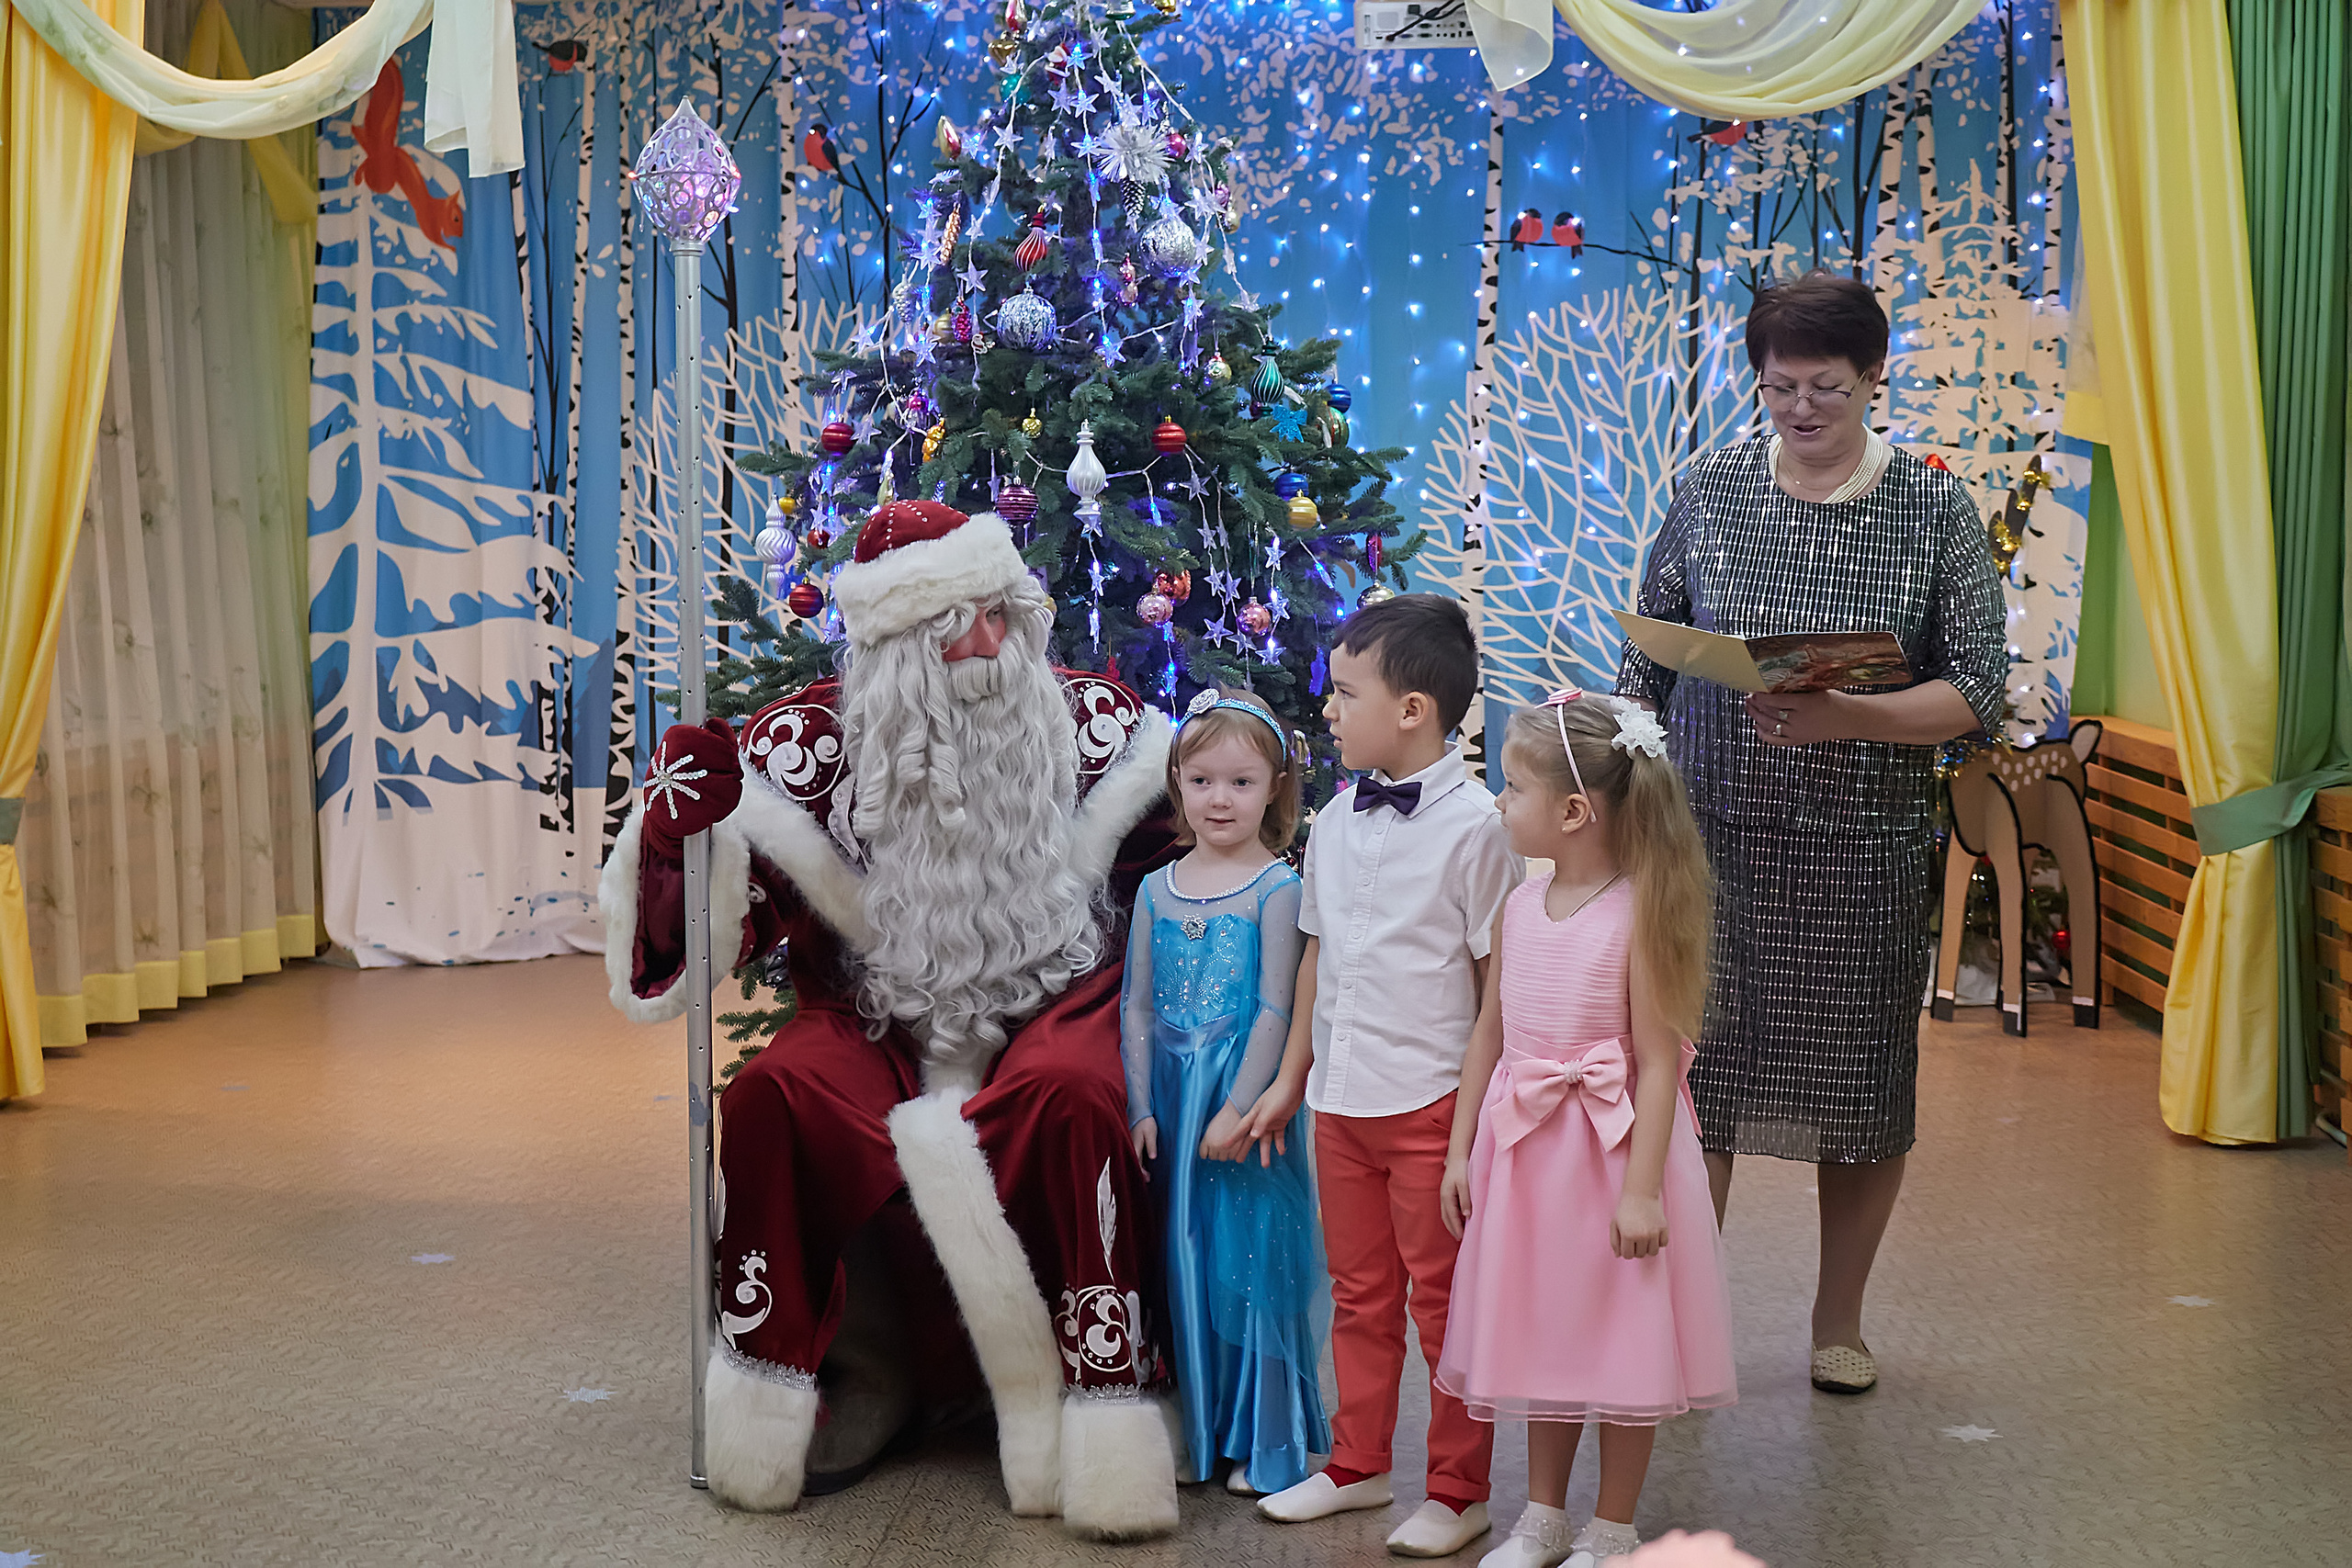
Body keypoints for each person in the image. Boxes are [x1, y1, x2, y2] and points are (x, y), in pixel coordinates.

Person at [603, 499, 1186, 1540]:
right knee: (779, 1094)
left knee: (1074, 1093)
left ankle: (1099, 1401)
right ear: (898, 647)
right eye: (964, 623)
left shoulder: (1095, 727)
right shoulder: (805, 746)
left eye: (1005, 613)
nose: (995, 644)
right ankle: (835, 1384)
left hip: (1058, 1000)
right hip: (873, 1013)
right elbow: (707, 941)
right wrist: (670, 837)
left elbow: (1184, 881)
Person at [1614, 269, 2007, 1394]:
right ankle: (1680, 1323)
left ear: (1873, 380)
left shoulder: (1932, 509)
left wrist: (1846, 715)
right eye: (1777, 385)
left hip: (1864, 849)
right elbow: (1650, 652)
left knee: (1860, 1091)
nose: (1798, 407)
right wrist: (1630, 791)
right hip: (1715, 836)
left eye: (1823, 387)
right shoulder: (1714, 486)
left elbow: (1979, 686)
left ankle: (1839, 1322)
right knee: (1703, 1080)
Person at [1249, 594, 1523, 1560]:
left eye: (1343, 692)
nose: (1326, 709)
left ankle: (1459, 1488)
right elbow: (1317, 957)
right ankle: (1357, 1464)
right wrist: (1293, 1079)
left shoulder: (1480, 829)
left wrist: (1466, 1135)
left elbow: (1497, 986)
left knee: (1444, 1304)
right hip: (1342, 1102)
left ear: (1412, 709)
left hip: (1430, 1101)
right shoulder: (1331, 818)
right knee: (1358, 1293)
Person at [1436, 694, 1736, 1568]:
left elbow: (1655, 1062)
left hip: (1612, 1155)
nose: (1500, 800)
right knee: (1544, 1328)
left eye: (1513, 786)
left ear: (1574, 812)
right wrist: (1460, 1150)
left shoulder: (1638, 911)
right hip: (1527, 1154)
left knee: (1621, 1339)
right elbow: (1488, 1035)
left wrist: (1643, 1191)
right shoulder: (1519, 910)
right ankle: (1541, 1516)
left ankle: (1612, 1528)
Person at [1121, 686, 1330, 1498]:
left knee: (1254, 1256)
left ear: (1276, 785)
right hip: (1174, 1098)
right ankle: (1202, 1426)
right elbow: (1137, 1006)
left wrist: (1241, 1106)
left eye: (1242, 782)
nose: (1220, 798)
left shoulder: (1278, 888)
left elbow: (1279, 1004)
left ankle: (1264, 1434)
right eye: (1203, 780)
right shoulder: (1156, 888)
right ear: (1177, 780)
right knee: (1188, 1258)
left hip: (1246, 1101)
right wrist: (1142, 1103)